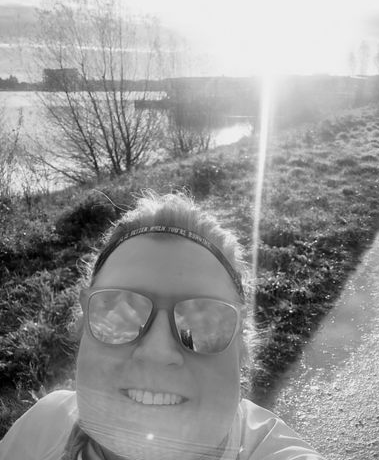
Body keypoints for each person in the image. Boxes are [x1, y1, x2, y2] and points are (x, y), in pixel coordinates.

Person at [0, 192, 325, 460]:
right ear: (83, 327)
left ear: (242, 350)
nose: (157, 352)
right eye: (119, 311)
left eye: (204, 320)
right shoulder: (41, 424)